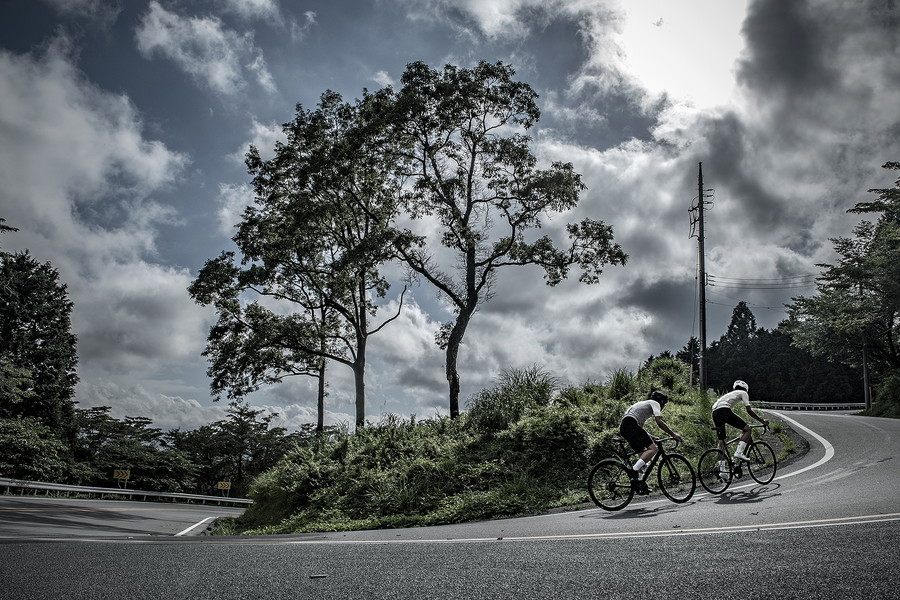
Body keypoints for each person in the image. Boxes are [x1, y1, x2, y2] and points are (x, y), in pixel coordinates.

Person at [619, 390, 683, 493]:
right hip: (631, 424)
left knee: (644, 458)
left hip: (625, 427)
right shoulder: (655, 403)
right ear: (661, 402)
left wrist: (652, 437)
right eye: (664, 405)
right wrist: (673, 434)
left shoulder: (643, 406)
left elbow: (640, 429)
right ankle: (633, 471)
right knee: (653, 449)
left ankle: (639, 484)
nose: (663, 407)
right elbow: (659, 421)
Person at [712, 380, 769, 462]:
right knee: (748, 429)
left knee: (722, 442)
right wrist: (762, 420)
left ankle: (721, 468)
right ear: (746, 389)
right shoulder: (743, 393)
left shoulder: (730, 394)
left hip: (715, 413)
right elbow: (749, 410)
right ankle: (739, 452)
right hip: (724, 411)